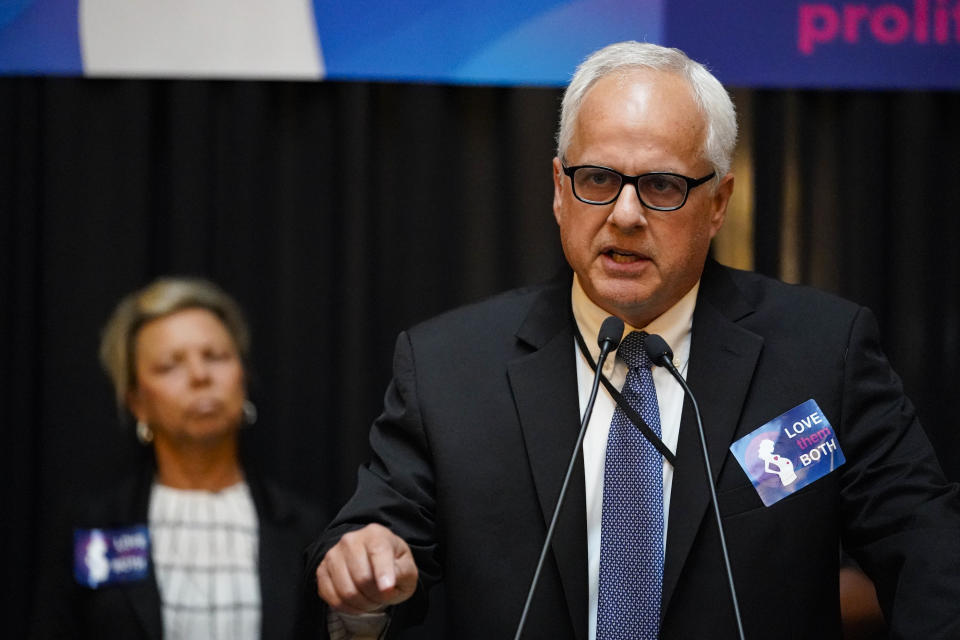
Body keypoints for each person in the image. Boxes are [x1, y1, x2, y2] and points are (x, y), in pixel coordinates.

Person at [307, 41, 960, 639]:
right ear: (560, 190)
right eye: (598, 180)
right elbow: (374, 544)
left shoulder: (821, 354)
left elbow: (927, 548)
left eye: (662, 186)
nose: (624, 215)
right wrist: (365, 579)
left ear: (719, 202)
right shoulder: (452, 367)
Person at [33, 277, 325, 639]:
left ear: (243, 378)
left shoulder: (304, 529)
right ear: (136, 401)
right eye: (170, 365)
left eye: (215, 357)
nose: (200, 376)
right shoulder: (95, 527)